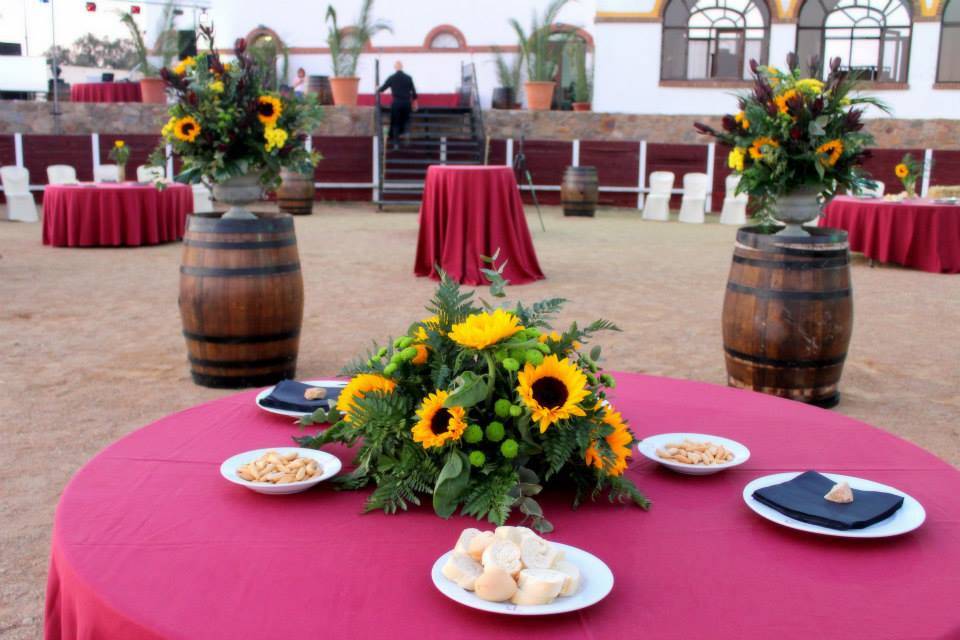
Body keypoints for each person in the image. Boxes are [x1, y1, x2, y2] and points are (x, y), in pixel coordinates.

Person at [376, 61, 418, 148]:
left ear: (395, 67)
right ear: (402, 67)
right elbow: (414, 92)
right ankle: (406, 134)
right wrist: (415, 103)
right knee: (406, 120)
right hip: (407, 103)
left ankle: (396, 143)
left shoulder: (392, 77)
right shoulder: (408, 78)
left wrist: (377, 88)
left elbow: (382, 89)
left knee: (395, 123)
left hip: (396, 103)